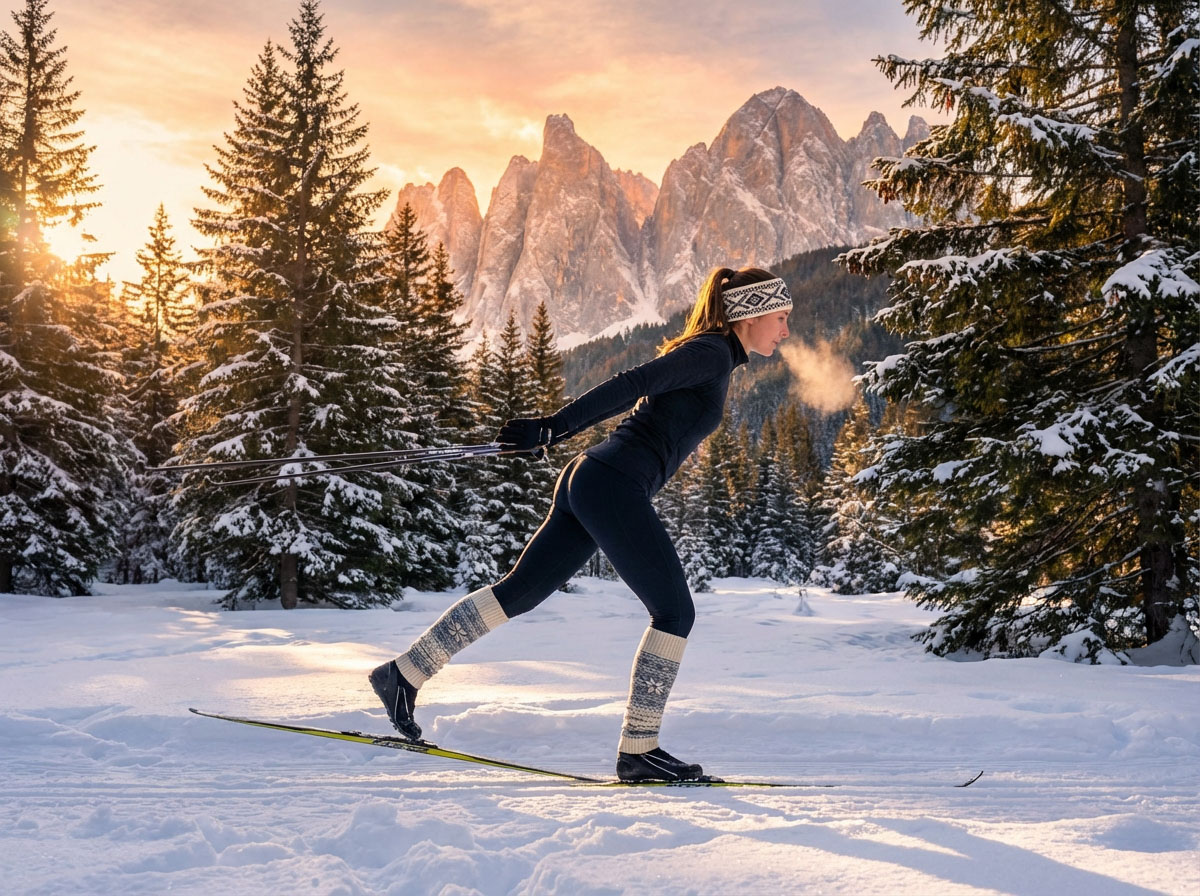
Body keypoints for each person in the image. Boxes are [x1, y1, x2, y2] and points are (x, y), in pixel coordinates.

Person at [370, 266, 792, 782]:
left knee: (520, 592)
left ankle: (403, 675)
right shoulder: (710, 352)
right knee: (674, 611)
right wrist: (553, 427)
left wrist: (555, 433)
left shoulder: (717, 357)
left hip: (592, 479)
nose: (786, 330)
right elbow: (633, 381)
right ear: (750, 313)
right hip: (610, 483)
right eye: (782, 316)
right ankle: (639, 751)